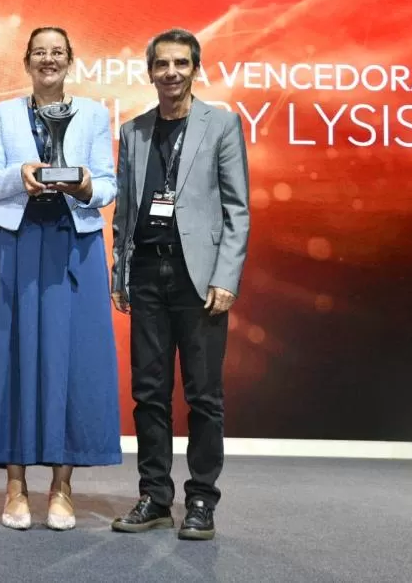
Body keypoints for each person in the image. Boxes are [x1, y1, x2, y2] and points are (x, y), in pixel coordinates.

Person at [0, 26, 122, 531]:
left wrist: (84, 184)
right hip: (16, 243)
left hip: (73, 241)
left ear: (69, 60)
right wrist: (20, 174)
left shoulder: (93, 113)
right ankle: (15, 485)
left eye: (57, 52)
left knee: (71, 363)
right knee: (13, 358)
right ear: (27, 61)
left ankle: (62, 488)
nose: (48, 59)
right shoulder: (3, 114)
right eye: (40, 52)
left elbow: (107, 184)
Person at [109, 28, 250, 540]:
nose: (171, 72)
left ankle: (202, 501)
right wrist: (119, 274)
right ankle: (154, 496)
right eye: (161, 64)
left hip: (201, 280)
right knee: (149, 392)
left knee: (204, 395)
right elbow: (124, 210)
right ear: (149, 72)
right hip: (146, 272)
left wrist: (226, 277)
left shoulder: (222, 124)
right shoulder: (133, 131)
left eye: (181, 64)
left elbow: (237, 209)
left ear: (195, 68)